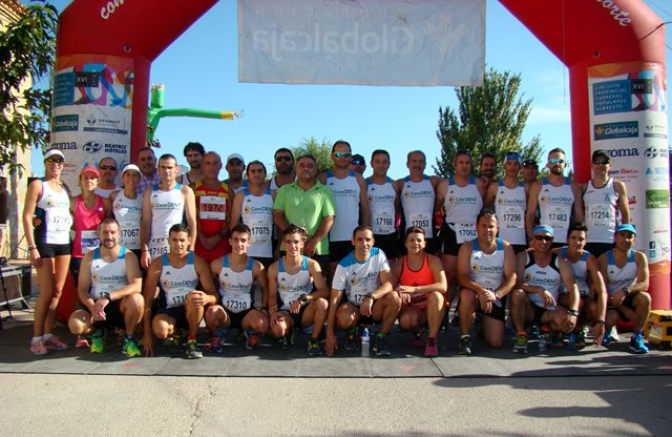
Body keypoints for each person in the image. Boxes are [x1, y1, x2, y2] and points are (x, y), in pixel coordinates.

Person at [67, 218, 144, 356]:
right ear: (99, 233)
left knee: (137, 300)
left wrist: (108, 297)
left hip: (118, 305)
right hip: (95, 306)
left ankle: (129, 338)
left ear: (119, 234)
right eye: (105, 232)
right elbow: (82, 289)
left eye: (113, 232)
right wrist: (92, 307)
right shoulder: (90, 256)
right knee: (75, 325)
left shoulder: (128, 256)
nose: (109, 236)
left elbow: (136, 285)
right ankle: (97, 333)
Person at [23, 148, 73, 355]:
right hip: (44, 243)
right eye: (51, 160)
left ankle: (47, 334)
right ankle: (36, 338)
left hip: (64, 243)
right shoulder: (38, 185)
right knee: (45, 292)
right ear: (45, 162)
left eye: (59, 161)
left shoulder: (64, 188)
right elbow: (27, 216)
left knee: (58, 292)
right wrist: (32, 247)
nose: (55, 164)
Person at [142, 224, 218, 359]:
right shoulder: (158, 264)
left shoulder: (198, 262)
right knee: (160, 331)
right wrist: (147, 335)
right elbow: (147, 301)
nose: (178, 244)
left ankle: (192, 340)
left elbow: (214, 296)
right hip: (168, 311)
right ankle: (179, 332)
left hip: (191, 309)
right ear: (168, 240)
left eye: (182, 240)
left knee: (195, 296)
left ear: (189, 240)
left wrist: (206, 298)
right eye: (175, 240)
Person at [324, 226, 401, 357]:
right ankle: (353, 331)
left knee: (394, 297)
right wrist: (329, 333)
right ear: (352, 241)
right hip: (353, 308)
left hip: (373, 306)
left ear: (373, 241)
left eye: (367, 239)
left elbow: (389, 284)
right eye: (359, 240)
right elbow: (334, 300)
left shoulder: (378, 254)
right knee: (343, 317)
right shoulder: (344, 265)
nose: (364, 244)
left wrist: (371, 297)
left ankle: (381, 336)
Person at [509, 225, 581, 354]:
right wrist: (538, 289)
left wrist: (574, 313)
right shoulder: (523, 257)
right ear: (533, 239)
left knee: (565, 322)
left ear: (552, 240)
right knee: (517, 294)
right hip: (528, 308)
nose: (543, 242)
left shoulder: (560, 261)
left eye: (547, 239)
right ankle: (521, 335)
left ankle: (547, 328)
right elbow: (515, 284)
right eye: (539, 238)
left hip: (548, 310)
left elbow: (573, 288)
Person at [456, 210, 517, 354]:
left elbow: (512, 277)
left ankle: (482, 324)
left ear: (497, 228)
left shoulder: (506, 248)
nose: (487, 230)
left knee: (495, 343)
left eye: (491, 226)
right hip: (475, 294)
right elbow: (462, 276)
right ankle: (465, 338)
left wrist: (496, 295)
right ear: (476, 227)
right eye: (483, 226)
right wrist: (481, 291)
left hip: (494, 297)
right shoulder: (467, 247)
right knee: (466, 295)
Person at [205, 224, 269, 352]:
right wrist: (212, 304)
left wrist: (263, 308)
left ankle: (248, 332)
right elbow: (210, 287)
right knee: (211, 314)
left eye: (243, 240)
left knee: (263, 325)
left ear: (249, 242)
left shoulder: (257, 267)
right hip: (225, 311)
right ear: (230, 241)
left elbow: (265, 289)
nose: (239, 244)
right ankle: (219, 334)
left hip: (246, 312)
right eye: (235, 239)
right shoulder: (217, 264)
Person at [267, 225, 329, 355]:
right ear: (284, 243)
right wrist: (273, 313)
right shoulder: (274, 268)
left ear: (302, 243)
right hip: (286, 311)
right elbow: (272, 296)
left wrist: (304, 298)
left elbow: (324, 291)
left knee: (323, 303)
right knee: (278, 330)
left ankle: (313, 340)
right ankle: (288, 333)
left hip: (306, 310)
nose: (292, 246)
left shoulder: (311, 264)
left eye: (296, 242)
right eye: (288, 242)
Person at [318, 140, 370, 283]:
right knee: (332, 282)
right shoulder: (323, 178)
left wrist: (365, 236)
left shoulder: (358, 179)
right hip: (329, 239)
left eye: (346, 154)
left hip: (352, 239)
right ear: (332, 156)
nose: (342, 157)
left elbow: (365, 210)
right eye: (339, 154)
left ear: (350, 157)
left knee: (355, 282)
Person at [391, 226, 448, 357]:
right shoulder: (399, 264)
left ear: (424, 243)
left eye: (418, 240)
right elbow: (390, 287)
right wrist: (399, 290)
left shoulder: (433, 260)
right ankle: (418, 332)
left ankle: (432, 340)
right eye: (411, 240)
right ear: (405, 243)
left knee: (437, 297)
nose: (415, 243)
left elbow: (443, 286)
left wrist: (415, 289)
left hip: (432, 307)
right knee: (406, 320)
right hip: (414, 308)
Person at [273, 154, 335, 270]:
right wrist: (294, 238)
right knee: (289, 286)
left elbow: (329, 219)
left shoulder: (325, 191)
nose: (306, 168)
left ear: (316, 169)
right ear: (296, 169)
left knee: (318, 287)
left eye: (310, 166)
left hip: (317, 249)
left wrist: (312, 242)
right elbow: (277, 215)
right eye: (302, 165)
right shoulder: (284, 190)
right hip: (289, 247)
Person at [435, 150, 486, 290]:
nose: (464, 166)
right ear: (454, 164)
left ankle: (468, 309)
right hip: (453, 232)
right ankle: (445, 310)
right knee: (449, 275)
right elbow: (436, 209)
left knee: (474, 275)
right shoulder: (444, 185)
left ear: (471, 165)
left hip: (474, 233)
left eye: (467, 163)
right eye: (461, 163)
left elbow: (486, 208)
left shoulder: (479, 184)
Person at [597, 224, 651, 354]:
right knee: (611, 317)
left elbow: (644, 284)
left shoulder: (639, 257)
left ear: (634, 240)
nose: (625, 240)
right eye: (622, 235)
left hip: (628, 296)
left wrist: (625, 291)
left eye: (629, 236)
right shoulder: (604, 259)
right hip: (611, 301)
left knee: (645, 298)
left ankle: (637, 336)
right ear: (615, 237)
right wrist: (623, 309)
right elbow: (601, 289)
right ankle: (607, 330)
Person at [553, 222, 607, 348]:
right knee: (576, 302)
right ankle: (556, 330)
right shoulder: (556, 253)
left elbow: (602, 291)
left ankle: (578, 329)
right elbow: (538, 255)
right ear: (567, 240)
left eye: (581, 239)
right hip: (562, 295)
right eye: (574, 238)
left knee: (593, 307)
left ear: (586, 241)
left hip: (582, 294)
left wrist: (601, 321)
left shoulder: (589, 258)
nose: (577, 242)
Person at [140, 153, 197, 269]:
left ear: (177, 169)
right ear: (158, 169)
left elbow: (192, 223)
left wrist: (191, 249)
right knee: (153, 284)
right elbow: (145, 223)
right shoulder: (150, 192)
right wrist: (144, 249)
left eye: (170, 167)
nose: (167, 171)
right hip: (155, 245)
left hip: (177, 244)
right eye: (163, 167)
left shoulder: (185, 191)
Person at [526, 148, 584, 246]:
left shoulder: (574, 187)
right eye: (553, 161)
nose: (557, 163)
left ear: (565, 164)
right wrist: (532, 238)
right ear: (548, 164)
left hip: (567, 241)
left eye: (560, 161)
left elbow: (579, 217)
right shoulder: (538, 186)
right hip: (543, 241)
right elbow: (530, 215)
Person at [582, 149, 630, 257]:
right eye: (597, 162)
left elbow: (625, 213)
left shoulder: (617, 185)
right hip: (589, 240)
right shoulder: (585, 187)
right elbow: (580, 213)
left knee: (609, 272)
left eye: (604, 162)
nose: (600, 165)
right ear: (592, 165)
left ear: (610, 165)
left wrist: (623, 237)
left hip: (610, 240)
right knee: (591, 273)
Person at [69, 166, 112, 285]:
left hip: (100, 253)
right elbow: (65, 222)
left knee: (99, 287)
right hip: (78, 254)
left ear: (97, 182)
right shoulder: (72, 202)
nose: (89, 181)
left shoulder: (105, 202)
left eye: (92, 178)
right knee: (79, 289)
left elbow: (109, 225)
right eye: (85, 178)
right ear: (80, 181)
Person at [230, 160, 274, 267]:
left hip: (267, 250)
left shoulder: (273, 194)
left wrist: (278, 247)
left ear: (265, 173)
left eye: (260, 171)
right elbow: (233, 223)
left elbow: (278, 220)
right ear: (248, 175)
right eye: (253, 171)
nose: (257, 174)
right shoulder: (241, 195)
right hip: (246, 251)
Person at [192, 151, 231, 263]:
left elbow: (232, 219)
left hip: (220, 242)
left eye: (215, 163)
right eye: (208, 163)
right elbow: (187, 217)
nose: (212, 167)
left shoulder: (228, 190)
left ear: (220, 166)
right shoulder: (193, 188)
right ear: (202, 166)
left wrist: (218, 236)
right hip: (199, 241)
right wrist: (199, 236)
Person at [397, 150, 441, 251]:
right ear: (408, 164)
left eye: (421, 161)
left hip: (429, 235)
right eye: (414, 161)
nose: (418, 164)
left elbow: (455, 183)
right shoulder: (400, 184)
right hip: (408, 236)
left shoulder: (434, 181)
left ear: (425, 164)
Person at [485, 152, 528, 253]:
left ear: (520, 167)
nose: (512, 167)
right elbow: (485, 210)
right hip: (500, 238)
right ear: (504, 166)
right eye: (509, 163)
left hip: (520, 239)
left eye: (515, 164)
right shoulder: (495, 187)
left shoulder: (527, 188)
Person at [366, 149, 402, 260]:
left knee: (389, 267)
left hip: (390, 235)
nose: (381, 165)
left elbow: (397, 209)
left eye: (384, 162)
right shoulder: (365, 184)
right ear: (372, 163)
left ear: (389, 164)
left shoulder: (394, 185)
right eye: (377, 161)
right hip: (372, 234)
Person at [110, 164, 143, 258]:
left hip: (137, 246)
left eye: (135, 175)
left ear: (139, 179)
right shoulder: (114, 196)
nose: (131, 178)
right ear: (123, 178)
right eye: (128, 175)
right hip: (118, 246)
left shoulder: (143, 199)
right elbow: (108, 219)